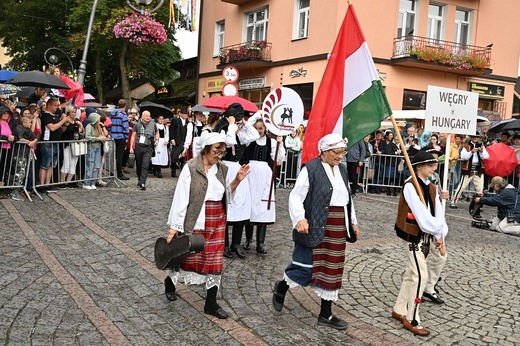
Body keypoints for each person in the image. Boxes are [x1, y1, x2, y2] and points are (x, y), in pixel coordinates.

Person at [271, 133, 359, 330]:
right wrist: (299, 219)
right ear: (325, 151)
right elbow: (295, 197)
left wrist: (352, 222)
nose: (340, 157)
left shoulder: (342, 170)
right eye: (336, 153)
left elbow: (347, 199)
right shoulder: (310, 169)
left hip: (336, 225)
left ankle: (325, 315)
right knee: (305, 267)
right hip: (315, 225)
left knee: (331, 270)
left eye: (342, 153)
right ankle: (281, 287)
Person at [164, 132, 250, 319]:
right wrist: (175, 227)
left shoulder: (223, 169)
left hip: (217, 218)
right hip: (195, 217)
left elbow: (226, 192)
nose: (219, 156)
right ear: (205, 149)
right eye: (216, 152)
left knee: (214, 261)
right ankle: (170, 283)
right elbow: (181, 197)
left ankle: (210, 303)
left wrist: (237, 180)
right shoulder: (191, 167)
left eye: (222, 153)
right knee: (184, 255)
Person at [392, 151, 448, 337]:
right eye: (430, 165)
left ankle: (399, 309)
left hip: (427, 235)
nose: (434, 168)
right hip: (412, 235)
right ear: (419, 167)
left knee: (413, 273)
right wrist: (435, 229)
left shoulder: (431, 187)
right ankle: (413, 318)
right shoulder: (410, 186)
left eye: (434, 165)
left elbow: (437, 211)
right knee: (419, 274)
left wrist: (440, 235)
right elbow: (422, 217)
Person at [241, 116, 285, 254]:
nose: (258, 131)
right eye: (256, 128)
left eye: (261, 128)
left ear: (265, 128)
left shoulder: (271, 142)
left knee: (263, 207)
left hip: (265, 176)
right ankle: (248, 239)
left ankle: (260, 242)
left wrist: (280, 144)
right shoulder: (250, 140)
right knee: (250, 206)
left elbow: (278, 159)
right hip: (251, 174)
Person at [450, 132, 489, 208]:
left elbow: (486, 156)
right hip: (469, 169)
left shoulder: (481, 146)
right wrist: (471, 152)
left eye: (477, 137)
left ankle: (478, 205)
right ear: (471, 137)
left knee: (480, 189)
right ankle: (453, 201)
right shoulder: (466, 146)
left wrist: (481, 152)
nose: (475, 138)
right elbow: (464, 156)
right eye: (474, 137)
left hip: (478, 170)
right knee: (461, 187)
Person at [39, 97, 67, 192]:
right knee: (45, 165)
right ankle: (42, 184)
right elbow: (52, 128)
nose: (56, 107)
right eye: (55, 105)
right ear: (49, 105)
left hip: (55, 142)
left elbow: (60, 130)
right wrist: (62, 121)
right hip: (47, 142)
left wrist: (65, 124)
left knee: (52, 165)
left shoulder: (55, 116)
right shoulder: (46, 116)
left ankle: (48, 183)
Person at [129, 110, 159, 190]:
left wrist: (157, 140)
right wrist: (131, 147)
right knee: (139, 164)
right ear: (142, 116)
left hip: (148, 147)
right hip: (139, 147)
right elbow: (133, 136)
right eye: (146, 116)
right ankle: (139, 179)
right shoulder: (137, 125)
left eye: (149, 116)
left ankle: (142, 182)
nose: (148, 117)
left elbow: (157, 133)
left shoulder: (153, 124)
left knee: (145, 165)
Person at [59, 105, 84, 188]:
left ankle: (68, 182)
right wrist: (66, 124)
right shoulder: (65, 120)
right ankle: (62, 182)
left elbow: (80, 132)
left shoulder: (76, 121)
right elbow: (62, 131)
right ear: (68, 112)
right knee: (66, 163)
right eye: (72, 112)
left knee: (73, 164)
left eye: (75, 112)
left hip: (75, 144)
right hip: (67, 144)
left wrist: (80, 126)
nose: (74, 113)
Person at [84, 112, 107, 190]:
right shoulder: (89, 126)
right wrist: (98, 138)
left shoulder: (98, 127)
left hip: (98, 147)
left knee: (96, 166)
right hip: (91, 147)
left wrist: (103, 138)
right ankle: (87, 182)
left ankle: (93, 182)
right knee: (90, 165)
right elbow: (88, 137)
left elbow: (103, 135)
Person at [109, 99, 130, 180]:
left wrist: (111, 134)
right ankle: (119, 174)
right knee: (119, 157)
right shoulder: (123, 114)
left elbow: (110, 125)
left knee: (112, 156)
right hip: (121, 137)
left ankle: (111, 172)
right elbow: (125, 127)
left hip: (113, 136)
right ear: (125, 106)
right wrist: (126, 137)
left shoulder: (112, 114)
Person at [169, 106, 189, 177]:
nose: (185, 115)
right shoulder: (175, 120)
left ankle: (182, 171)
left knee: (183, 157)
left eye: (186, 114)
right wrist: (172, 139)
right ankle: (173, 171)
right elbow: (171, 130)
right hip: (177, 140)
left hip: (184, 140)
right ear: (180, 114)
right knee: (174, 156)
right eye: (184, 114)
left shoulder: (188, 122)